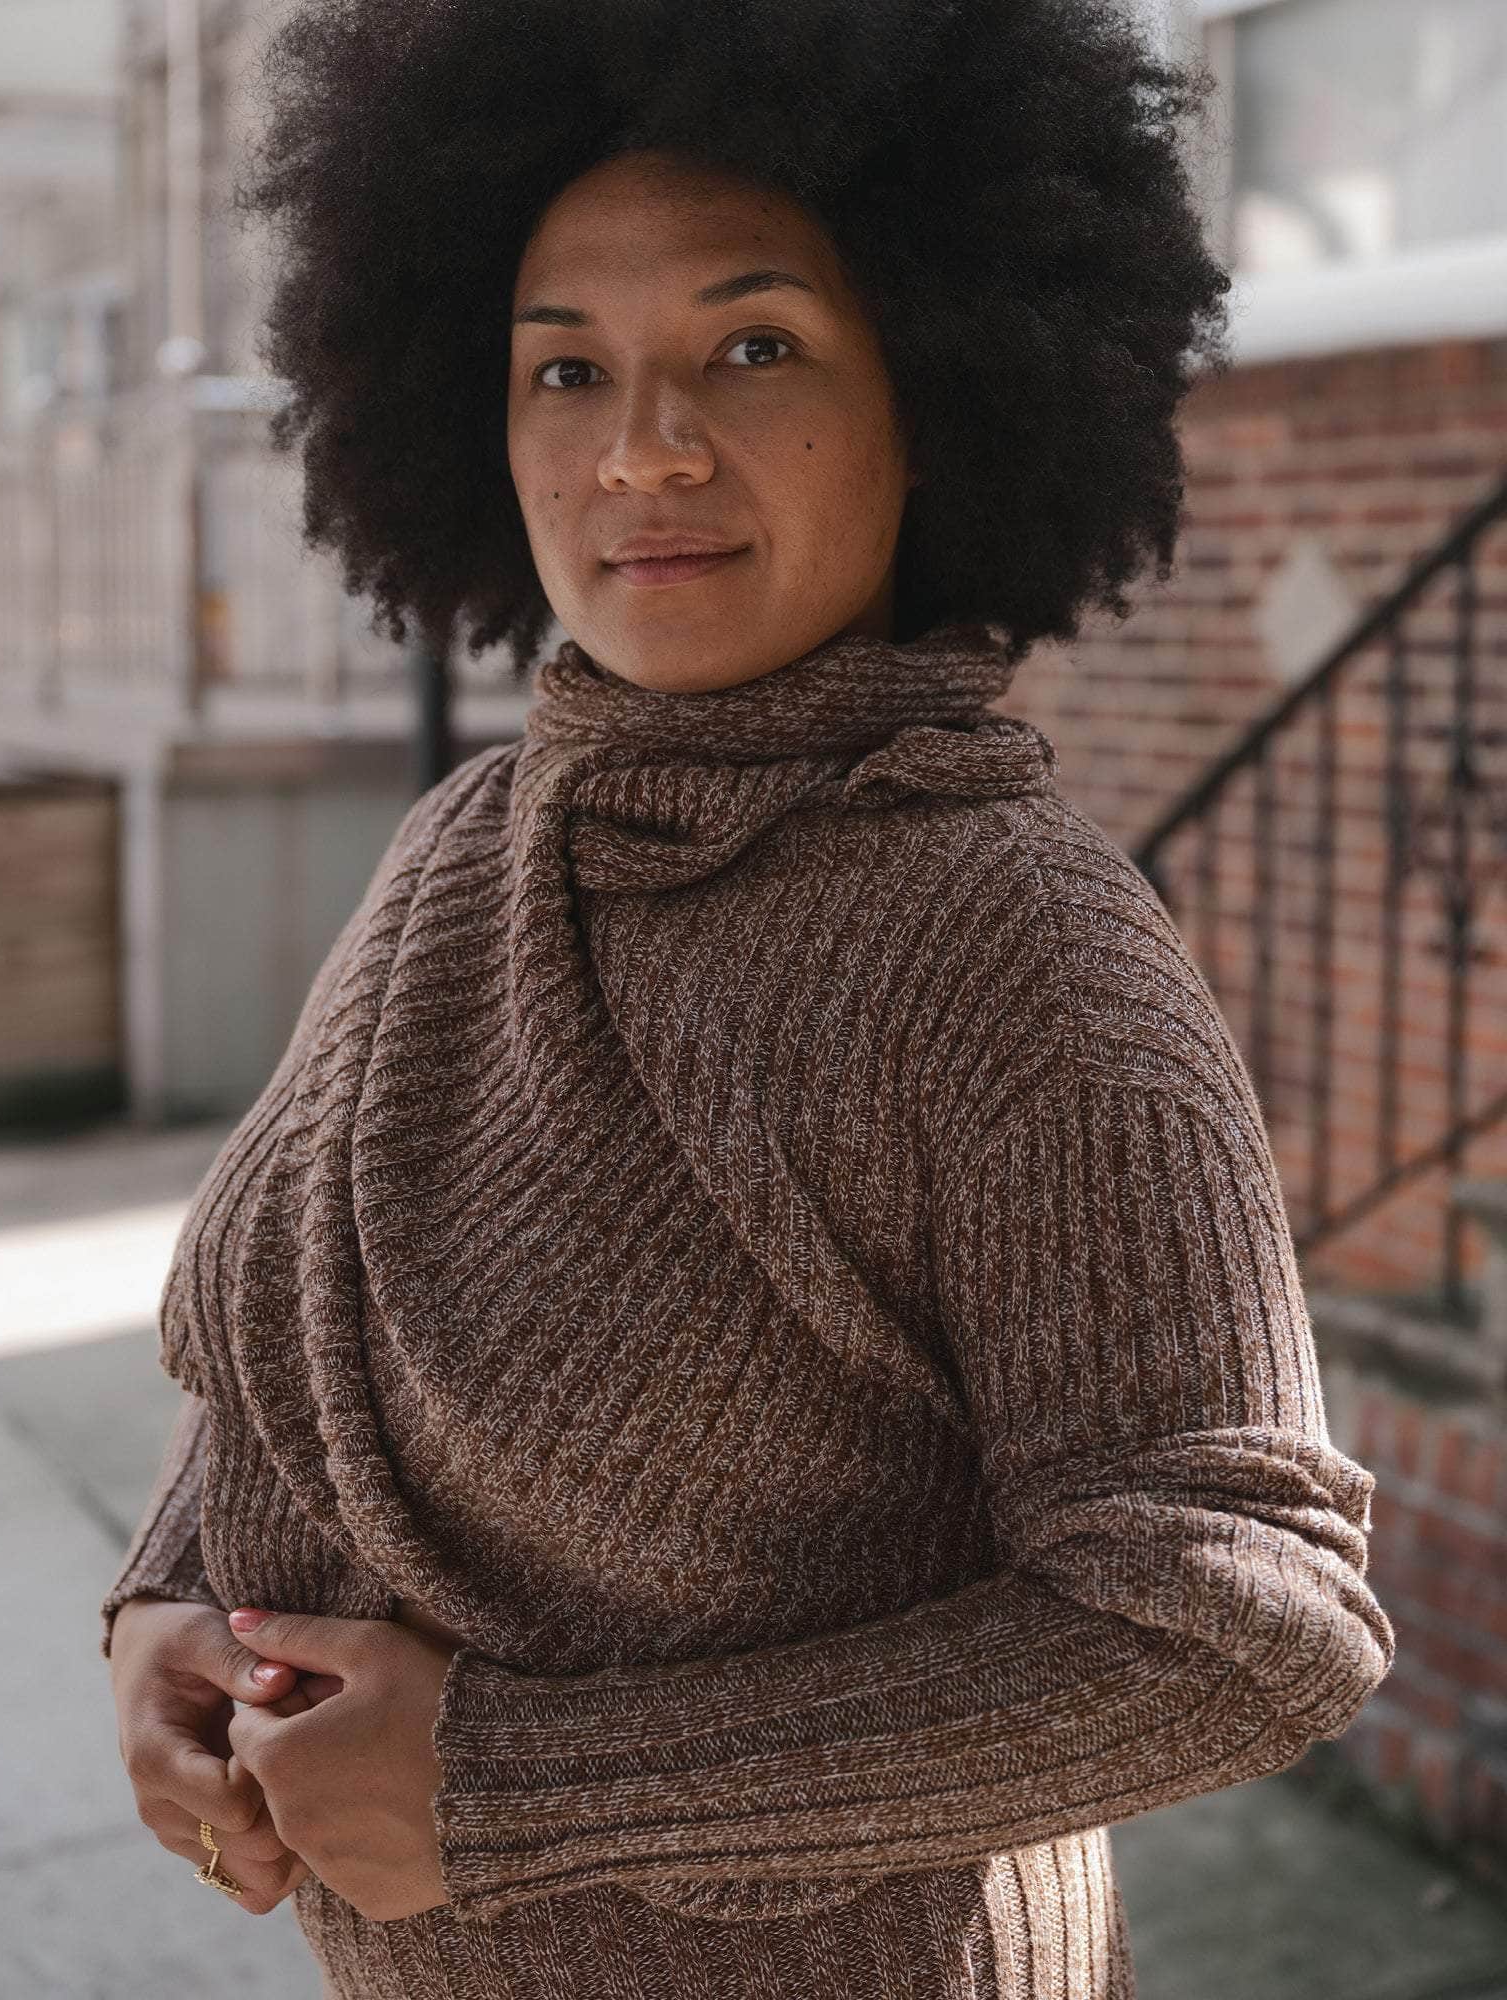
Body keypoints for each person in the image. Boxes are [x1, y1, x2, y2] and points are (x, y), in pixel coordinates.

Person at [102, 1, 1397, 1995]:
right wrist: (167, 1608)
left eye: (755, 345)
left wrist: (516, 1789)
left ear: (935, 392)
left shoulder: (1013, 950)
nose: (643, 447)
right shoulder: (467, 842)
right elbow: (294, 1335)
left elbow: (1241, 1623)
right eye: (566, 368)